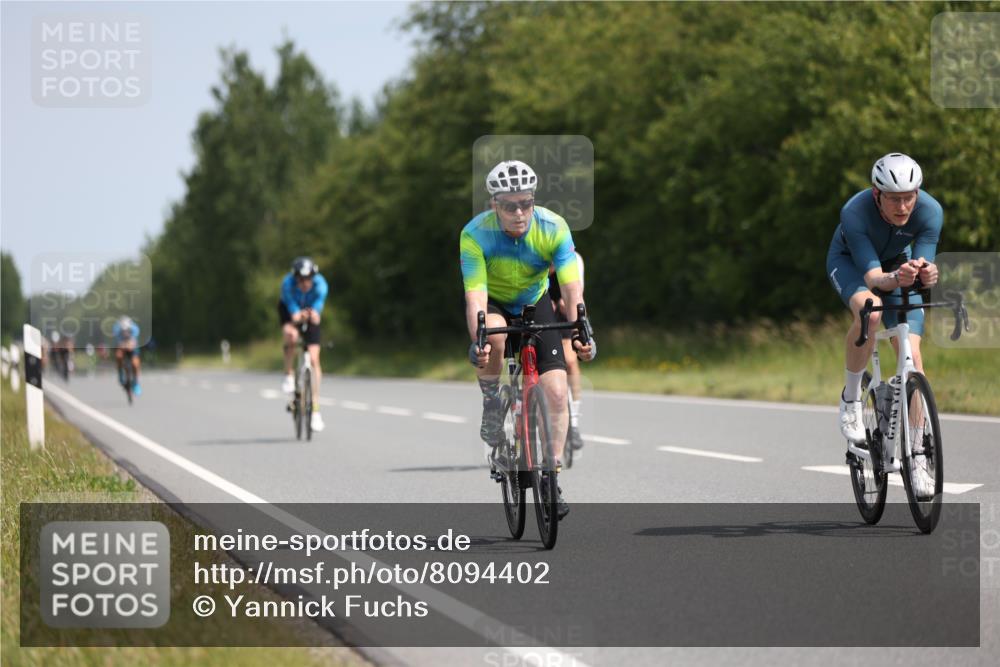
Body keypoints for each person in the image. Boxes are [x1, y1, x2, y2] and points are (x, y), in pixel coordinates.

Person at [461, 160, 596, 518]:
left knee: (555, 390)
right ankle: (492, 402)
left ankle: (550, 472)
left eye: (526, 203)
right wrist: (479, 340)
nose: (519, 213)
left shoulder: (554, 227)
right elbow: (474, 294)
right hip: (496, 302)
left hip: (535, 302)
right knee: (496, 338)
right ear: (494, 205)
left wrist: (583, 330)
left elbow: (570, 288)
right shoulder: (475, 234)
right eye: (509, 205)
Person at [826, 153, 941, 496]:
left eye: (909, 197)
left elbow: (924, 265)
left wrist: (927, 274)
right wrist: (895, 277)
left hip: (896, 265)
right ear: (877, 195)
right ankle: (850, 399)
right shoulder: (854, 212)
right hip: (851, 264)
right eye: (893, 198)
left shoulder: (931, 211)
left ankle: (918, 456)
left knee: (914, 360)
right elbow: (874, 277)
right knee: (872, 312)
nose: (903, 206)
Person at [279, 257, 328, 433]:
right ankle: (289, 375)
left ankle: (315, 411)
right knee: (291, 336)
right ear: (295, 278)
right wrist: (296, 315)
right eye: (301, 279)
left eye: (308, 279)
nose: (305, 283)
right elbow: (292, 311)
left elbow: (318, 306)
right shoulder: (287, 284)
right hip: (289, 309)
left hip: (309, 310)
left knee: (314, 359)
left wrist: (314, 313)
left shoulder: (321, 285)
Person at [548, 252, 586, 454]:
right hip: (535, 307)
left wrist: (561, 301)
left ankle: (574, 422)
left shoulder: (572, 259)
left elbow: (574, 297)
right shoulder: (529, 253)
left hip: (562, 313)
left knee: (570, 361)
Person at [112, 315, 142, 396]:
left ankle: (136, 383)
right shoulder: (117, 330)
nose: (125, 332)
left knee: (135, 364)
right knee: (118, 356)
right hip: (121, 344)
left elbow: (134, 342)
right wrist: (122, 347)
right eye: (123, 331)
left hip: (131, 345)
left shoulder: (135, 329)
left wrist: (130, 346)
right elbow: (118, 343)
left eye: (127, 330)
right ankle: (120, 373)